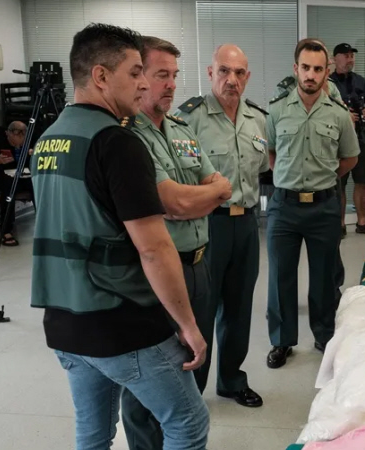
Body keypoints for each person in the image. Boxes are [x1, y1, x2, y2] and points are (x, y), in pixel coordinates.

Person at [30, 23, 209, 449]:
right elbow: (154, 248)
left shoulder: (49, 140)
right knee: (188, 423)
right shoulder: (118, 143)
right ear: (100, 76)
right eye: (134, 72)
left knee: (93, 433)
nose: (144, 82)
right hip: (118, 322)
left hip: (65, 323)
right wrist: (188, 325)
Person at [118, 36, 233, 450]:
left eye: (174, 75)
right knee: (148, 383)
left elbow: (221, 186)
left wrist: (198, 196)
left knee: (193, 367)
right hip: (157, 274)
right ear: (138, 77)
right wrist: (200, 197)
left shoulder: (181, 129)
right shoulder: (128, 138)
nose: (170, 84)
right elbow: (175, 202)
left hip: (200, 266)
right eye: (160, 75)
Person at [175, 43, 269, 408]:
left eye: (239, 72)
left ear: (248, 76)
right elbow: (180, 178)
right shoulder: (189, 120)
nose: (232, 79)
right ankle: (192, 391)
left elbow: (262, 170)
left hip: (246, 224)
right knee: (202, 309)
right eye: (224, 71)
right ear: (210, 73)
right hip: (206, 225)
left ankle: (231, 380)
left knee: (239, 306)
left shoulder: (257, 119)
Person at [265, 38, 359, 369]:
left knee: (324, 277)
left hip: (323, 206)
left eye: (318, 69)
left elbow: (349, 157)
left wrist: (324, 177)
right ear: (296, 69)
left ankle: (324, 335)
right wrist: (290, 177)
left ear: (326, 72)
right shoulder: (276, 110)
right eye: (305, 67)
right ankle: (281, 341)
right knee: (280, 277)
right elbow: (272, 154)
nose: (311, 75)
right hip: (284, 207)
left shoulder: (339, 114)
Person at [329, 43, 365, 236]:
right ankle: (340, 224)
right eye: (346, 56)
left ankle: (362, 222)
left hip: (360, 139)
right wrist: (344, 114)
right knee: (339, 183)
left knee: (362, 181)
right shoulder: (328, 83)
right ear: (335, 59)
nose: (350, 60)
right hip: (338, 141)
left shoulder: (361, 81)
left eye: (352, 56)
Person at [0, 121, 31, 245]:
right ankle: (6, 230)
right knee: (8, 189)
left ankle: (46, 225)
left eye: (21, 142)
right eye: (13, 142)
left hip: (24, 173)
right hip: (3, 174)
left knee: (39, 185)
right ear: (8, 133)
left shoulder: (31, 136)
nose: (17, 146)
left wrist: (34, 153)